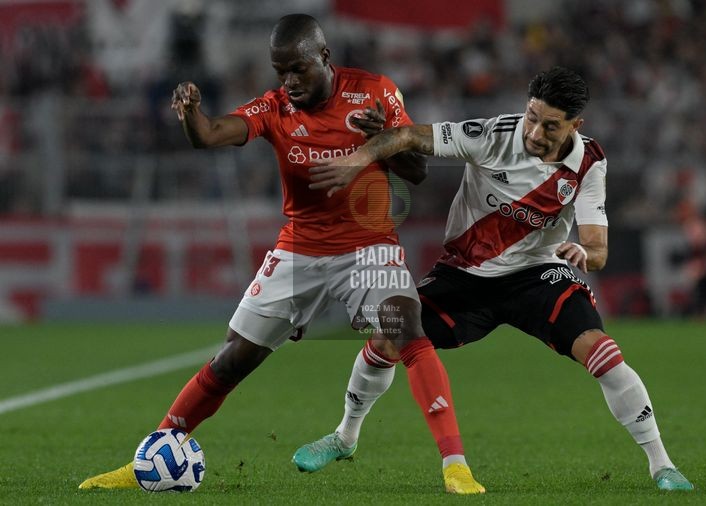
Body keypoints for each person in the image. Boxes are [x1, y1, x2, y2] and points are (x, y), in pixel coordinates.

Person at [78, 14, 484, 494]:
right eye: (280, 71)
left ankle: (455, 466)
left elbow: (417, 171)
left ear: (324, 57)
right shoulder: (275, 107)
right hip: (299, 250)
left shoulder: (374, 91)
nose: (289, 81)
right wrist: (190, 115)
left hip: (369, 247)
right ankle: (150, 456)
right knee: (232, 359)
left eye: (298, 69)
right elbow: (209, 135)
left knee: (405, 327)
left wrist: (382, 144)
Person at [296, 66, 694, 491]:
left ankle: (662, 465)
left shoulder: (589, 163)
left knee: (601, 351)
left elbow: (597, 250)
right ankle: (345, 437)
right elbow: (410, 137)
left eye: (550, 126)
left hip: (537, 274)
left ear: (575, 125)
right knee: (387, 338)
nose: (535, 132)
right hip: (464, 274)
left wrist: (584, 252)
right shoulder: (492, 135)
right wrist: (357, 159)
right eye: (532, 117)